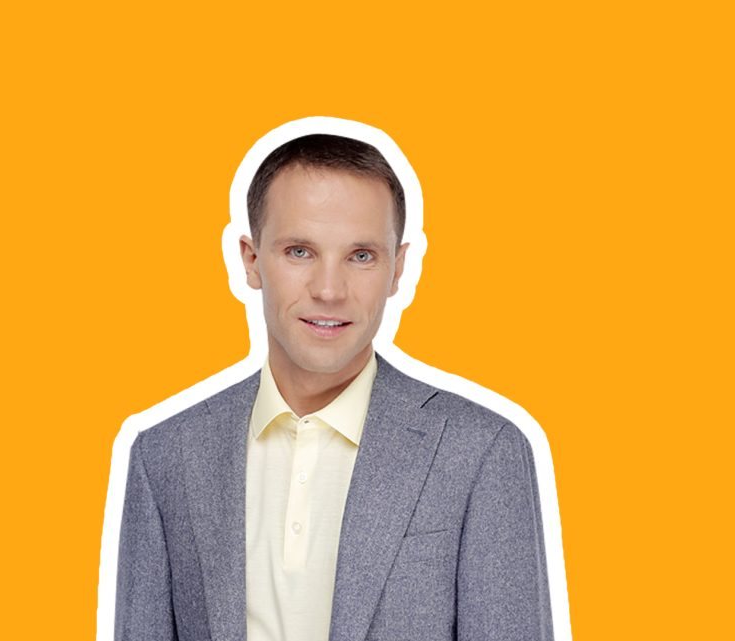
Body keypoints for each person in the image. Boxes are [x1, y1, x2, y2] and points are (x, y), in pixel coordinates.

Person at [112, 130, 556, 641]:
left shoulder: (481, 453)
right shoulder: (166, 456)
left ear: (397, 269)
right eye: (300, 251)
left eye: (361, 255)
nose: (329, 290)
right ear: (251, 260)